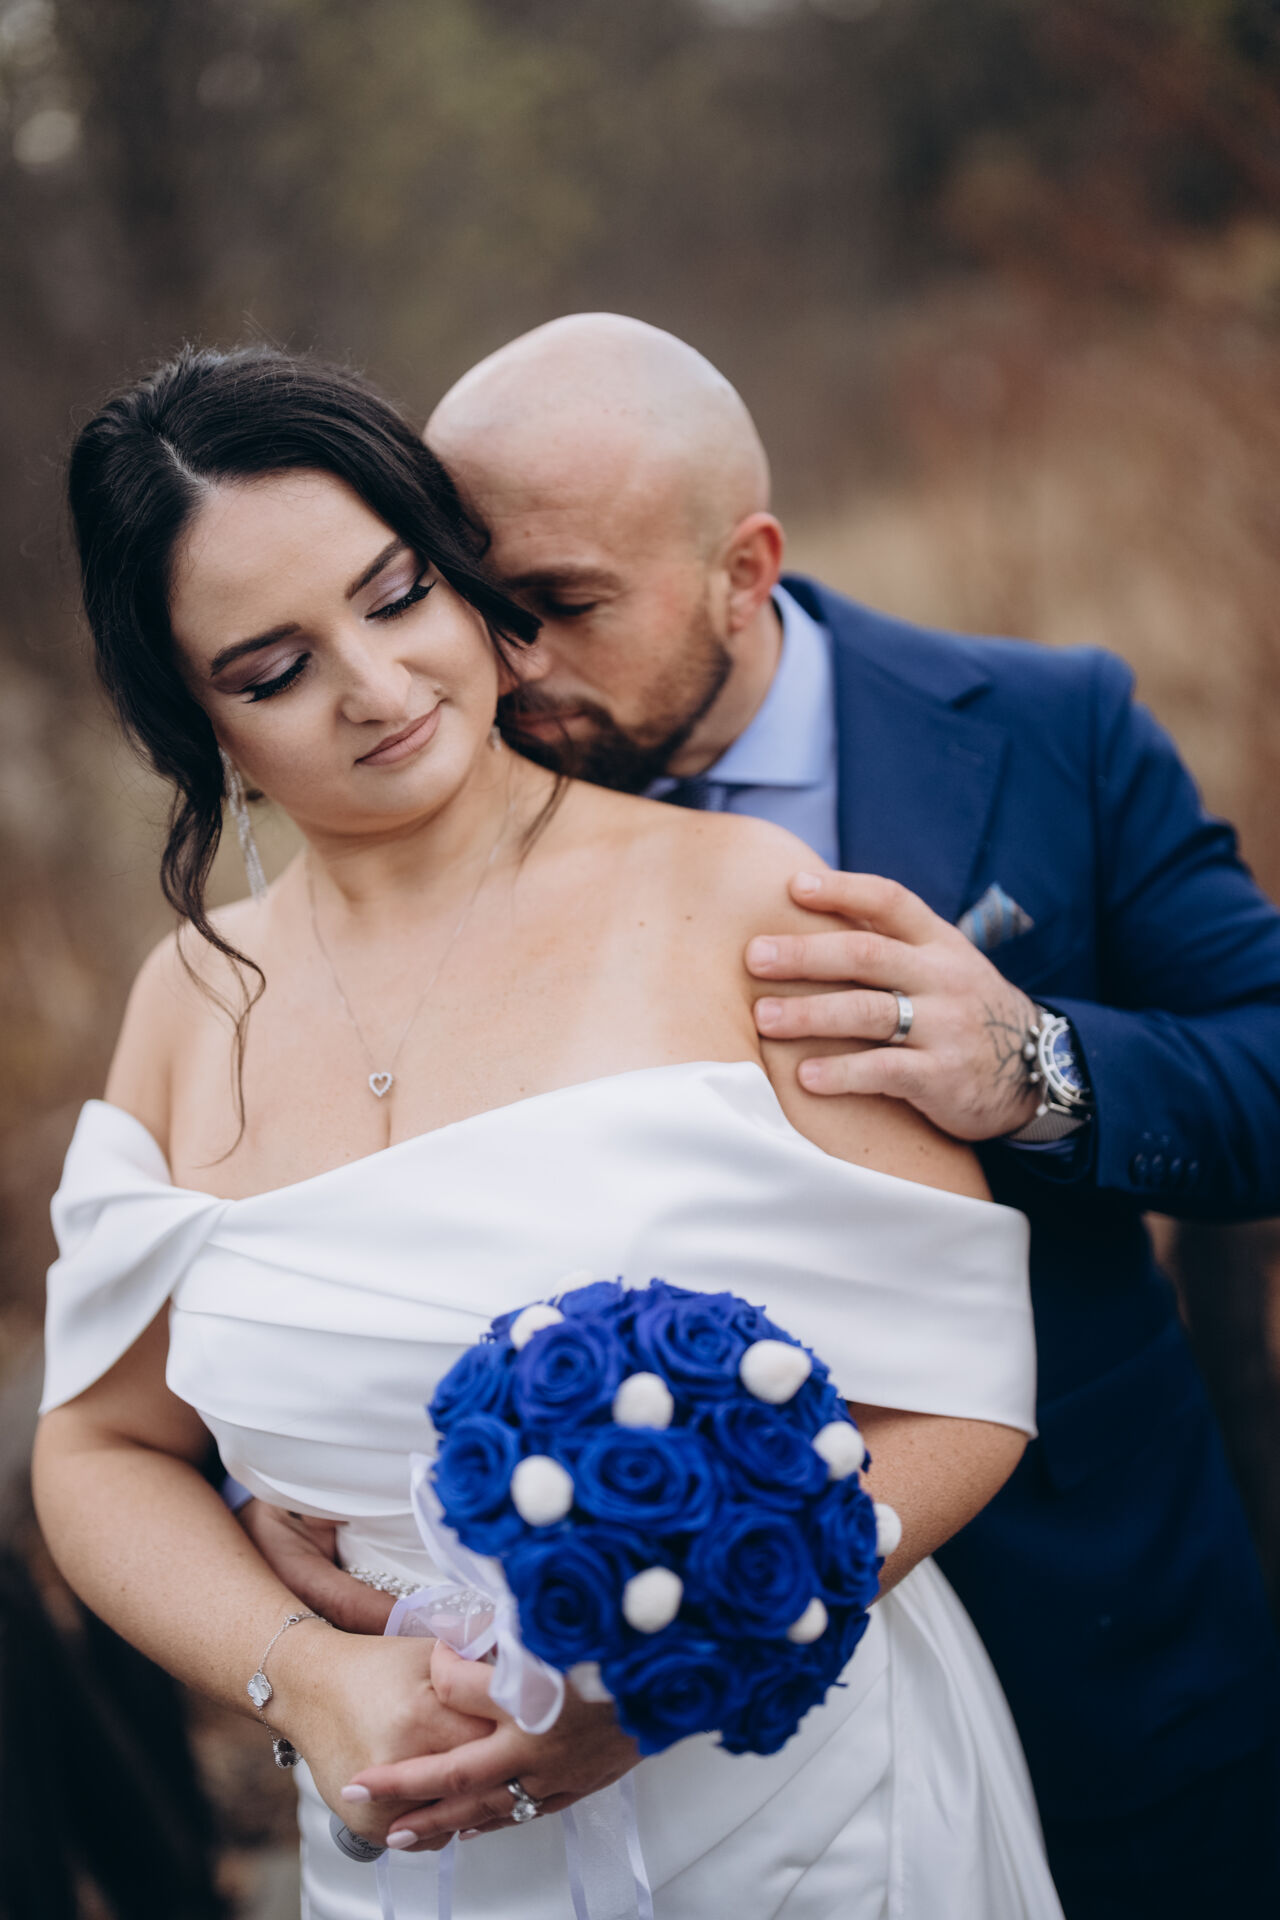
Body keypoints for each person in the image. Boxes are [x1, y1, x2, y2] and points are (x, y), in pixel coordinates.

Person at [244, 314, 1280, 1918]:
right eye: (475, 602)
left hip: (1090, 1642)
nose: (509, 666)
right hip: (648, 1745)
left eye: (563, 606)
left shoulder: (1050, 730)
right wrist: (311, 1455)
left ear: (745, 570)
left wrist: (1036, 1066)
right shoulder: (437, 828)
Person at [33, 347, 1063, 1920]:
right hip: (415, 1844)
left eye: (397, 598)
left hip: (807, 1819)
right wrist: (300, 1672)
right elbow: (100, 1446)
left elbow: (969, 1393)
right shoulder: (187, 1001)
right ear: (197, 719)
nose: (377, 688)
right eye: (273, 669)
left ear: (463, 582)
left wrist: (691, 1658)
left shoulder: (746, 903)